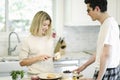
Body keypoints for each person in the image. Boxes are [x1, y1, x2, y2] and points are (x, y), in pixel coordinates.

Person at [74, 0, 120, 80]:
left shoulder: (109, 25)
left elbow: (106, 55)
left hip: (107, 71)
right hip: (104, 70)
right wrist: (84, 66)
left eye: (88, 10)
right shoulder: (105, 24)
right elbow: (101, 52)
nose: (87, 13)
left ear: (97, 9)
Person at [19, 11, 55, 76]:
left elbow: (50, 58)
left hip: (50, 75)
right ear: (37, 24)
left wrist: (54, 58)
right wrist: (38, 58)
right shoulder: (27, 40)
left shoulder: (50, 38)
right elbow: (22, 63)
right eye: (44, 25)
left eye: (48, 25)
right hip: (35, 76)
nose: (47, 28)